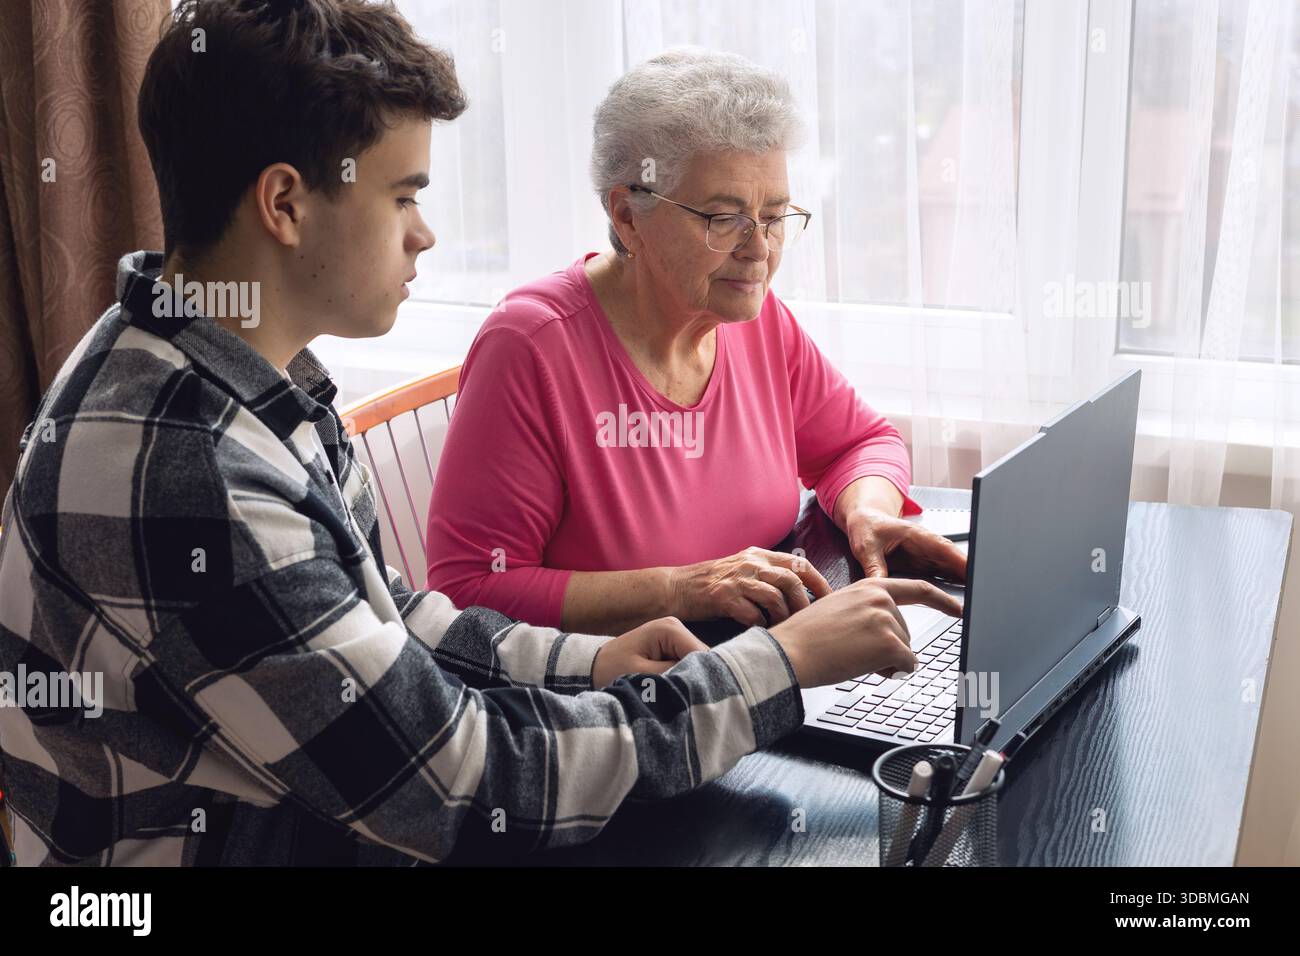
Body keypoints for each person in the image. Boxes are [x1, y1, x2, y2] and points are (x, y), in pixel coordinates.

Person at [0, 0, 959, 866]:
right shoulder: (188, 470)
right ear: (285, 204)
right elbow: (454, 784)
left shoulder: (227, 367)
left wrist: (585, 659)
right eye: (404, 196)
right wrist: (779, 666)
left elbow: (387, 618)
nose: (425, 236)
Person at [425, 48, 968, 636]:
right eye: (723, 217)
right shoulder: (530, 347)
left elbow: (859, 442)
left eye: (775, 214)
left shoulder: (756, 320)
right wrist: (683, 589)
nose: (759, 249)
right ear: (628, 215)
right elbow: (468, 591)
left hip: (769, 655)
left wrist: (867, 512)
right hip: (619, 703)